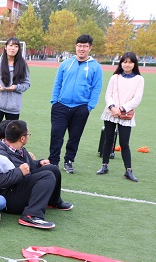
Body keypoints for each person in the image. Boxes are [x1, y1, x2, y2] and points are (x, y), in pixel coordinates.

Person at [0, 120, 73, 229]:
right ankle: (31, 215)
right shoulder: (0, 154)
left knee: (53, 169)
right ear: (22, 138)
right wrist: (20, 171)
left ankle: (53, 201)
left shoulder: (19, 148)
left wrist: (39, 163)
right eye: (28, 134)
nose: (28, 136)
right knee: (47, 176)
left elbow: (29, 166)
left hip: (19, 186)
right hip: (9, 198)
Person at [49, 34, 102, 174]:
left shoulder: (95, 67)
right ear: (76, 46)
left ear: (90, 48)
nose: (81, 49)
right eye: (79, 45)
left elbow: (97, 88)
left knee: (74, 137)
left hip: (81, 108)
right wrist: (54, 101)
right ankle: (53, 161)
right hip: (61, 106)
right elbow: (57, 83)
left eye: (85, 46)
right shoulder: (66, 63)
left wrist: (89, 107)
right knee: (56, 135)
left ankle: (69, 161)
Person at [97, 51, 144, 182]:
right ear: (121, 63)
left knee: (124, 143)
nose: (127, 65)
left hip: (125, 115)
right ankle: (104, 165)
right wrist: (112, 108)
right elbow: (108, 95)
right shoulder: (115, 77)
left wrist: (121, 109)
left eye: (130, 62)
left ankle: (128, 170)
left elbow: (137, 99)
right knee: (108, 140)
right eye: (124, 62)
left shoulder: (139, 79)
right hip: (110, 113)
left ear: (134, 64)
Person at [0, 37, 30, 143]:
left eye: (16, 46)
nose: (13, 48)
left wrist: (16, 87)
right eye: (10, 45)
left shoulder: (22, 64)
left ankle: (8, 152)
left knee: (12, 135)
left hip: (14, 107)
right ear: (5, 47)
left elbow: (27, 83)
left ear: (18, 49)